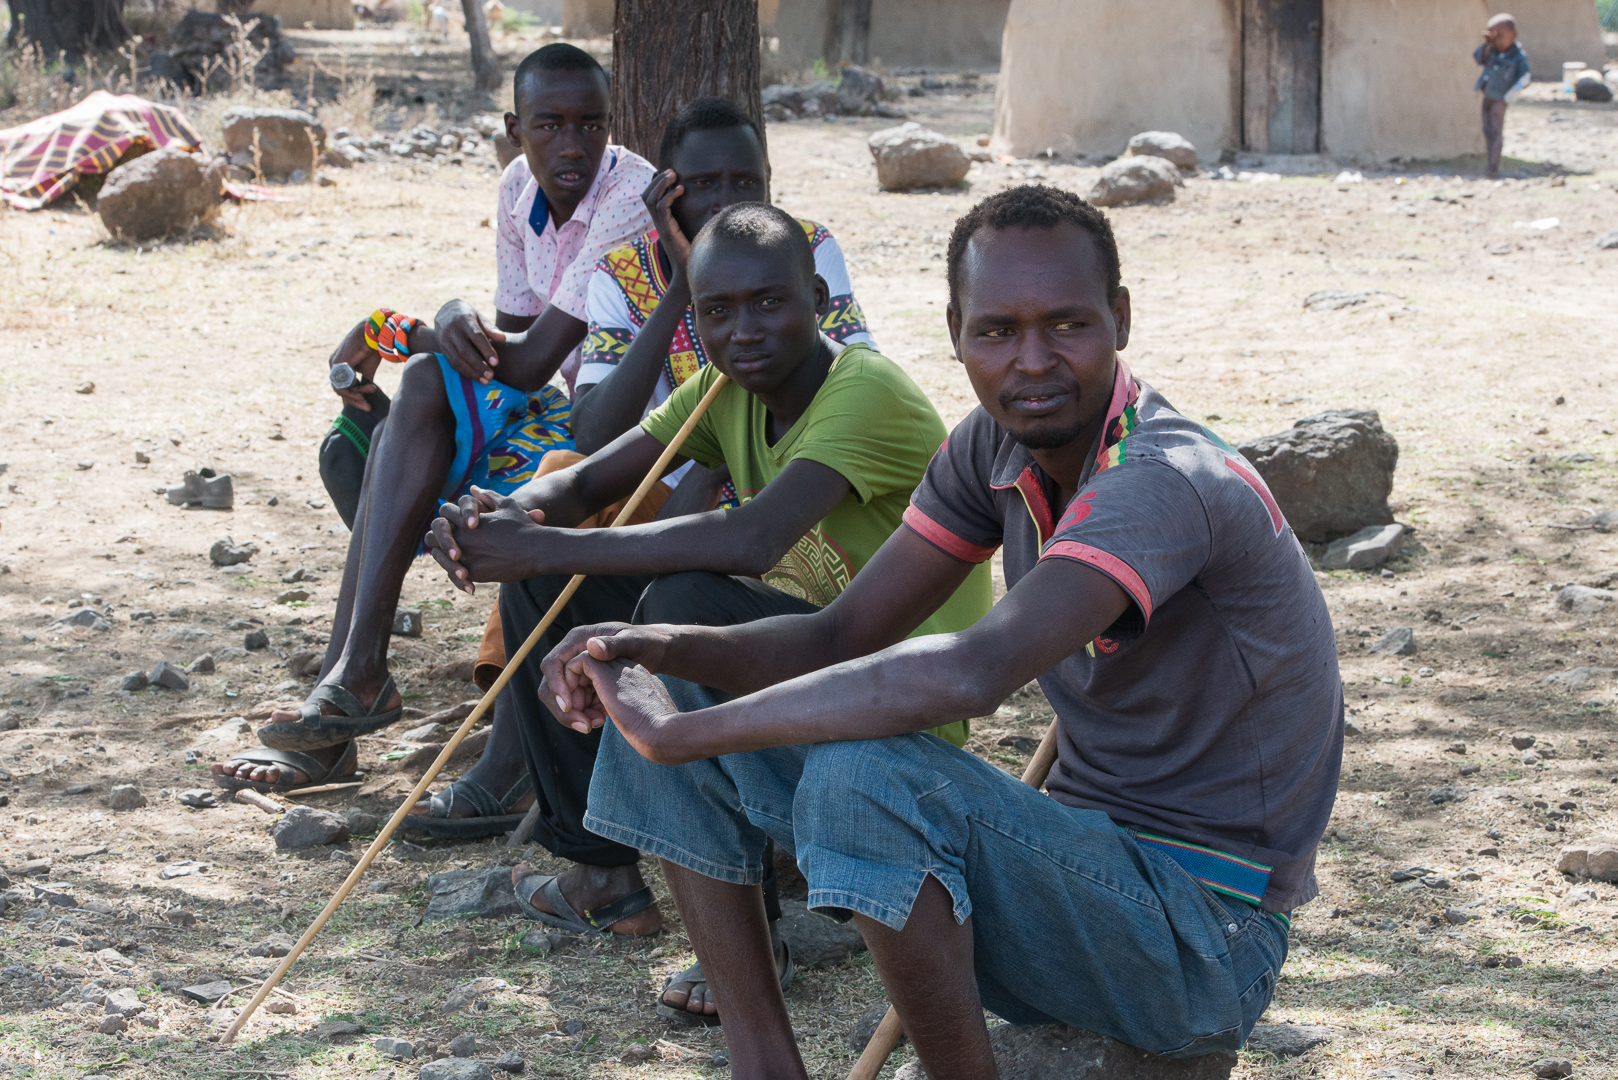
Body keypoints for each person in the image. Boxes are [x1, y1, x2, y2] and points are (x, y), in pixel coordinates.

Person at [540, 185, 1343, 1066]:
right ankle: (763, 1062)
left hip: (1205, 936)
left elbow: (972, 673)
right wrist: (647, 652)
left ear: (1119, 318)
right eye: (997, 331)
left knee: (870, 775)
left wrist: (684, 735)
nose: (1031, 362)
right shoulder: (993, 447)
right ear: (956, 330)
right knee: (675, 675)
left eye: (1067, 326)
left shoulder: (1160, 478)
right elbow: (838, 636)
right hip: (1087, 873)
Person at [422, 203, 993, 1025]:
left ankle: (758, 921)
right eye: (718, 312)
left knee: (677, 606)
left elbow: (754, 539)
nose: (745, 330)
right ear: (694, 319)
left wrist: (542, 545)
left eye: (770, 302)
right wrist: (498, 515)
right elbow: (584, 485)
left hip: (888, 690)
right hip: (798, 653)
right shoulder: (723, 387)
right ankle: (605, 872)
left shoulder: (864, 390)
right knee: (551, 592)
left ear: (819, 302)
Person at [404, 94, 878, 834]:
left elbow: (763, 515)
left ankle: (623, 791)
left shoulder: (803, 257)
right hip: (675, 491)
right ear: (666, 191)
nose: (725, 202)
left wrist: (548, 542)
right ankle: (575, 828)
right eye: (704, 186)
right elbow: (594, 443)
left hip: (785, 530)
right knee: (558, 507)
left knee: (659, 588)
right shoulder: (629, 275)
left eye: (745, 184)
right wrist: (500, 516)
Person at [211, 42, 655, 792]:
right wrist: (441, 334)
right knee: (406, 408)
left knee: (413, 394)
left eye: (591, 124)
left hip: (618, 428)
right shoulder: (519, 188)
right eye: (551, 125)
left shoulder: (626, 195)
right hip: (554, 410)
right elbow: (507, 349)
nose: (573, 145)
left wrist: (401, 325)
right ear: (517, 129)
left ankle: (351, 688)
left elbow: (525, 363)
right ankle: (354, 675)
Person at [1474, 13, 1530, 179]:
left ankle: (1494, 168)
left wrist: (1513, 93)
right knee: (1487, 131)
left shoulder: (1518, 57)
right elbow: (1479, 58)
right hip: (1488, 96)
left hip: (1500, 99)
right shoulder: (1492, 51)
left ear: (1513, 35)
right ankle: (1489, 163)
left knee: (1497, 132)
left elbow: (1525, 77)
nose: (1497, 41)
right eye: (1493, 36)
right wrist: (1488, 44)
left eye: (1501, 36)